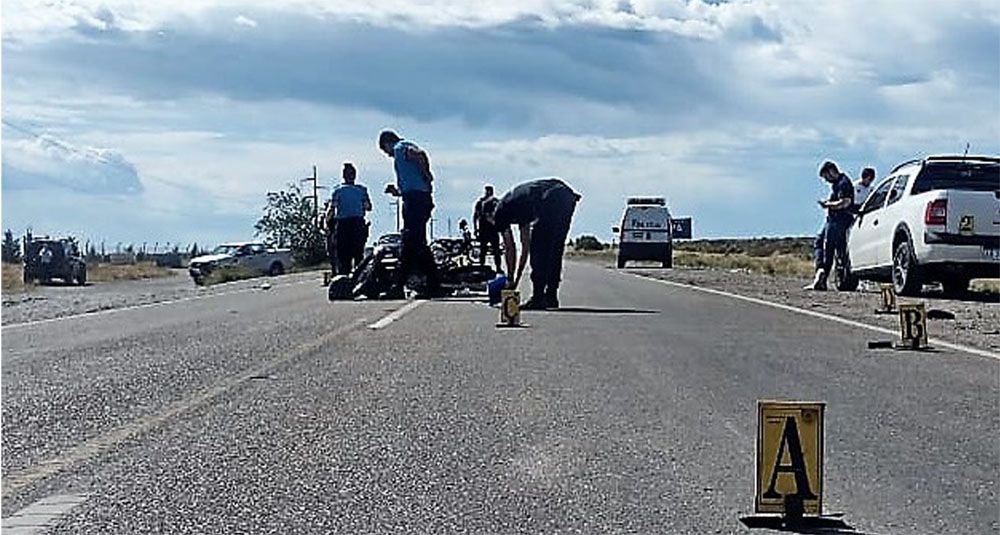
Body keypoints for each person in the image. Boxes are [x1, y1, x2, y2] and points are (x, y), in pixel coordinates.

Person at [485, 178, 581, 310]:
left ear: (488, 215)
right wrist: (515, 280)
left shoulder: (498, 212)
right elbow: (525, 247)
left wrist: (510, 279)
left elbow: (510, 248)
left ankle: (538, 298)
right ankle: (551, 296)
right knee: (554, 249)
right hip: (566, 196)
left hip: (549, 198)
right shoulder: (516, 205)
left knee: (539, 248)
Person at [378, 130, 441, 294]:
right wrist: (397, 191)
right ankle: (429, 282)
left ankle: (400, 285)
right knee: (416, 241)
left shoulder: (401, 147)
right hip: (414, 197)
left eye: (385, 151)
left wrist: (427, 175)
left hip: (416, 200)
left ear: (387, 143)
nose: (388, 155)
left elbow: (420, 155)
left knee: (410, 239)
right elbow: (411, 181)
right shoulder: (402, 152)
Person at [805, 161, 855, 291]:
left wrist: (827, 205)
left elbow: (845, 202)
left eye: (826, 176)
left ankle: (822, 276)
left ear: (831, 171)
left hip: (839, 221)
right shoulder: (836, 184)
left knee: (829, 249)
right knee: (819, 242)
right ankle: (820, 272)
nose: (826, 180)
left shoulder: (844, 183)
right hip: (832, 220)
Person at [325, 162, 372, 275]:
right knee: (358, 253)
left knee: (343, 254)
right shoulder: (361, 190)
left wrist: (327, 223)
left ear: (343, 176)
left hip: (343, 224)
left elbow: (332, 208)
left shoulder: (338, 190)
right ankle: (359, 277)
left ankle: (344, 278)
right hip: (357, 223)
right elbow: (369, 207)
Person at [473, 185, 502, 272]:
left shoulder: (496, 202)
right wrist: (475, 228)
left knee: (496, 250)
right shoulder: (480, 202)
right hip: (484, 229)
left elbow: (499, 215)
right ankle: (482, 266)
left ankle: (498, 267)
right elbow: (475, 216)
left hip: (492, 230)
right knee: (483, 250)